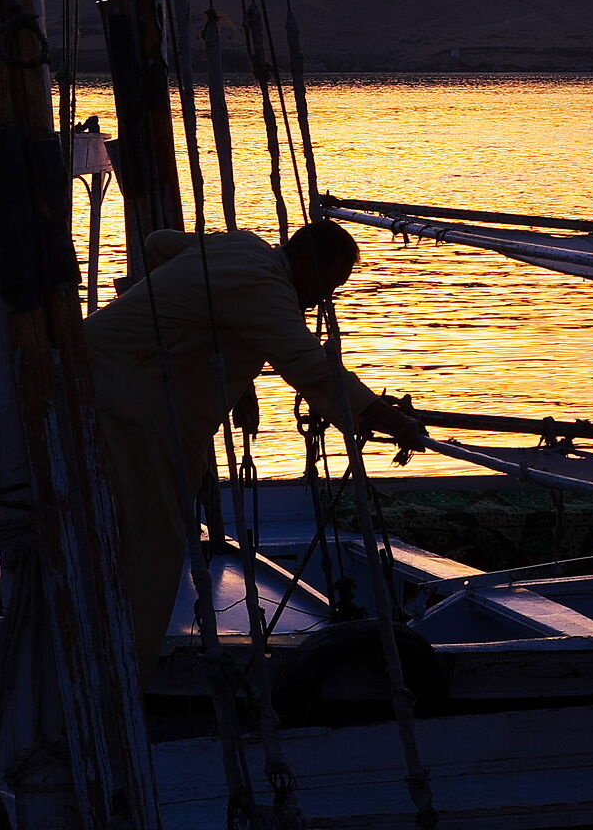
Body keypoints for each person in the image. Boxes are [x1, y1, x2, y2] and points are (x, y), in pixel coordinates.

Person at [84, 218, 424, 680]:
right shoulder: (268, 289)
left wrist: (229, 364)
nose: (323, 299)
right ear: (305, 263)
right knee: (155, 547)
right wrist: (393, 421)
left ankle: (24, 598)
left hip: (91, 374)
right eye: (327, 284)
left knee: (92, 513)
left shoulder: (240, 247)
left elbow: (159, 242)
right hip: (132, 407)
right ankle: (123, 674)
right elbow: (312, 369)